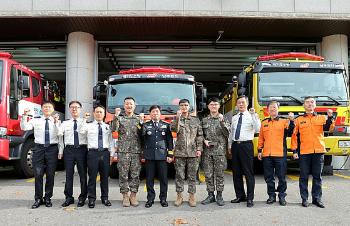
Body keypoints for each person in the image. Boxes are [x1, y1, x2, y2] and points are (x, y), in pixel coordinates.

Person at [291, 96, 334, 208]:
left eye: (312, 102)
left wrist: (330, 117)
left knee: (317, 176)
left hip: (318, 151)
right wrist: (294, 150)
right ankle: (304, 199)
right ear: (304, 105)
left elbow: (329, 128)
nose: (310, 104)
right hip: (304, 152)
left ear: (315, 105)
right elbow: (294, 136)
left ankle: (317, 199)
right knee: (304, 176)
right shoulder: (299, 119)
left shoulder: (322, 118)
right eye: (307, 102)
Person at [21, 101, 61, 209]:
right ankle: (38, 198)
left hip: (52, 149)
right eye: (45, 107)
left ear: (53, 109)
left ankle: (48, 198)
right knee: (38, 174)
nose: (47, 108)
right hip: (38, 148)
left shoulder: (56, 121)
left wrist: (57, 123)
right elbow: (25, 127)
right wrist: (24, 116)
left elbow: (60, 134)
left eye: (49, 107)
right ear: (42, 109)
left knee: (50, 175)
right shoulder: (36, 119)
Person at [257, 100, 295, 206]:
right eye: (270, 107)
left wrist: (291, 121)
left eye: (274, 107)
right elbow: (261, 138)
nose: (272, 109)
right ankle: (271, 196)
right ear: (267, 110)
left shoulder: (284, 121)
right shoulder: (264, 122)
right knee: (269, 177)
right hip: (267, 155)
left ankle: (282, 195)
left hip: (280, 154)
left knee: (281, 177)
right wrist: (259, 150)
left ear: (278, 109)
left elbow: (291, 132)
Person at [111, 97, 144, 207]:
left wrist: (143, 122)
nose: (129, 106)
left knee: (135, 175)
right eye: (127, 104)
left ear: (134, 106)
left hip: (136, 151)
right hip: (123, 151)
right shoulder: (120, 119)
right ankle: (125, 195)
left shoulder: (139, 119)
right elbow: (114, 129)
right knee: (123, 174)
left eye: (131, 104)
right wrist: (115, 116)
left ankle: (133, 195)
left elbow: (144, 134)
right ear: (124, 106)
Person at [229, 95, 260, 208]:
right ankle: (240, 195)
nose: (241, 104)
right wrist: (229, 146)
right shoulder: (234, 117)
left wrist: (253, 115)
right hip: (235, 146)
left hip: (246, 145)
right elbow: (231, 133)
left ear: (247, 103)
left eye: (243, 102)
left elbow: (257, 129)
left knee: (248, 173)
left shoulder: (252, 115)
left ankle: (250, 198)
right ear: (236, 105)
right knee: (236, 173)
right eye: (239, 103)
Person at [80, 105, 114, 208]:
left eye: (101, 112)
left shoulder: (108, 127)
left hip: (105, 153)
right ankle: (91, 199)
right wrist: (84, 119)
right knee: (92, 177)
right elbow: (81, 131)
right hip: (92, 153)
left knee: (104, 177)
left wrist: (112, 154)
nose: (99, 114)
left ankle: (105, 198)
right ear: (94, 113)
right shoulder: (88, 125)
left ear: (104, 114)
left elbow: (111, 141)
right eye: (97, 112)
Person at [171, 99, 203, 207]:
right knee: (179, 175)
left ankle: (192, 196)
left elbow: (199, 136)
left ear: (189, 107)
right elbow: (174, 130)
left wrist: (199, 149)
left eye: (186, 105)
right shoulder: (176, 119)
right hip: (180, 152)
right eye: (181, 105)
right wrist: (178, 118)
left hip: (193, 152)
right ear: (179, 107)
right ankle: (179, 196)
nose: (184, 107)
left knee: (192, 176)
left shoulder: (195, 120)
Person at [141, 105, 174, 208]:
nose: (155, 113)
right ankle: (150, 199)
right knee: (149, 179)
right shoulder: (145, 125)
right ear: (150, 114)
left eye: (157, 112)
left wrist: (170, 154)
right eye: (153, 112)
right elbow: (141, 136)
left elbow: (169, 140)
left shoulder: (166, 125)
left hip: (162, 156)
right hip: (149, 156)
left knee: (163, 179)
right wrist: (141, 123)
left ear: (160, 114)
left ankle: (163, 199)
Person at [200, 97, 230, 206]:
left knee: (220, 174)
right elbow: (200, 134)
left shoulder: (224, 119)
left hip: (220, 151)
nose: (213, 106)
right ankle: (210, 195)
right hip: (208, 152)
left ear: (219, 106)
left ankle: (219, 195)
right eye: (211, 104)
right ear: (208, 106)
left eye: (215, 104)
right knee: (208, 174)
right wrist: (204, 140)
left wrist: (222, 122)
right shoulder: (204, 120)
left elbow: (227, 133)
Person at [58, 100, 88, 207]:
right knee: (68, 175)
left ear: (80, 109)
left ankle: (83, 197)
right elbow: (60, 136)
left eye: (77, 107)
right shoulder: (65, 123)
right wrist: (61, 151)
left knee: (83, 175)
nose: (74, 109)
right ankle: (69, 197)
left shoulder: (85, 122)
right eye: (72, 107)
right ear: (69, 109)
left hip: (82, 150)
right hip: (69, 150)